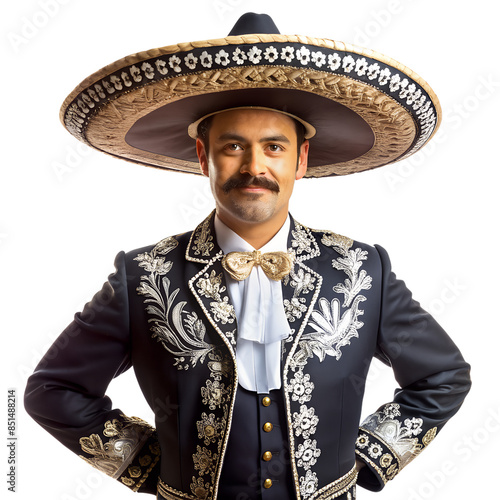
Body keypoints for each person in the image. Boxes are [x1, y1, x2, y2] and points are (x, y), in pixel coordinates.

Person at [24, 12, 471, 500]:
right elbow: (54, 391)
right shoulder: (144, 274)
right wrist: (152, 466)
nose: (254, 167)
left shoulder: (362, 269)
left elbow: (442, 376)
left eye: (274, 147)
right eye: (233, 146)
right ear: (203, 158)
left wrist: (368, 457)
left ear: (300, 160)